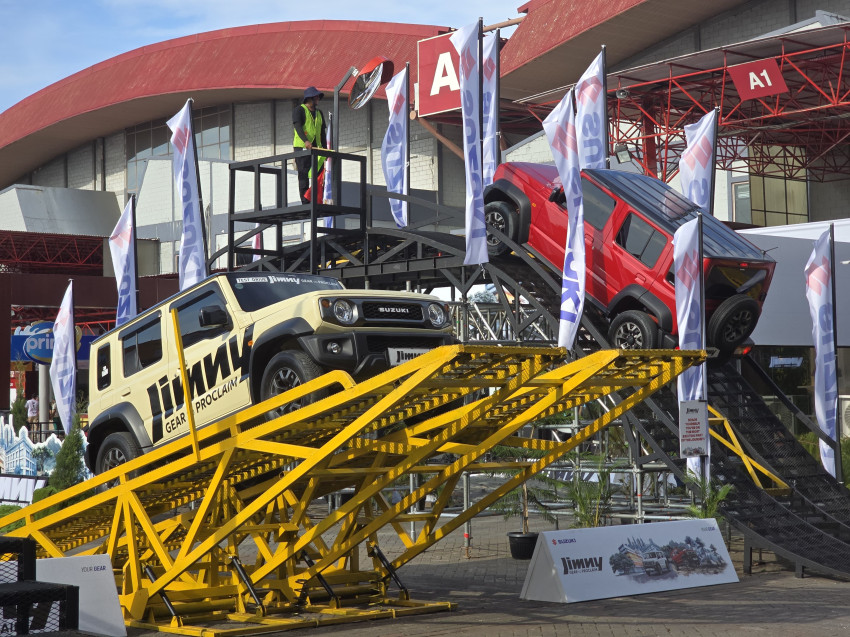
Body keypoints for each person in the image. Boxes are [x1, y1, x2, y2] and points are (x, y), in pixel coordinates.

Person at [293, 86, 327, 204]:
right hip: (302, 148)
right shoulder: (299, 110)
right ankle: (305, 200)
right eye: (315, 96)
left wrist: (325, 150)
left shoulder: (319, 113)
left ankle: (316, 198)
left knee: (319, 174)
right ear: (309, 98)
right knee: (303, 174)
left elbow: (322, 133)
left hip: (316, 149)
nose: (318, 98)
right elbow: (298, 127)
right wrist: (306, 141)